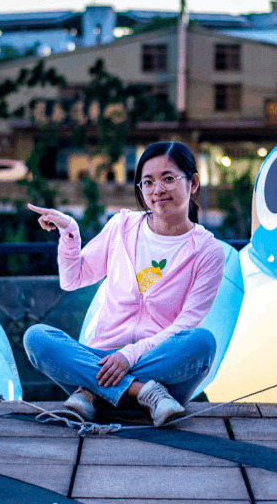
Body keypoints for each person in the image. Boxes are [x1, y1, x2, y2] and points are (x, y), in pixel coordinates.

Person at [23, 142, 225, 426]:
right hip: (113, 366)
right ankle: (140, 392)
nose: (157, 189)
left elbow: (186, 323)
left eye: (168, 178)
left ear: (192, 183)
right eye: (148, 182)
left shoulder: (208, 251)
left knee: (202, 343)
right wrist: (69, 231)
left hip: (158, 364)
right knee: (37, 338)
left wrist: (128, 357)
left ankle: (92, 394)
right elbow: (73, 279)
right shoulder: (122, 227)